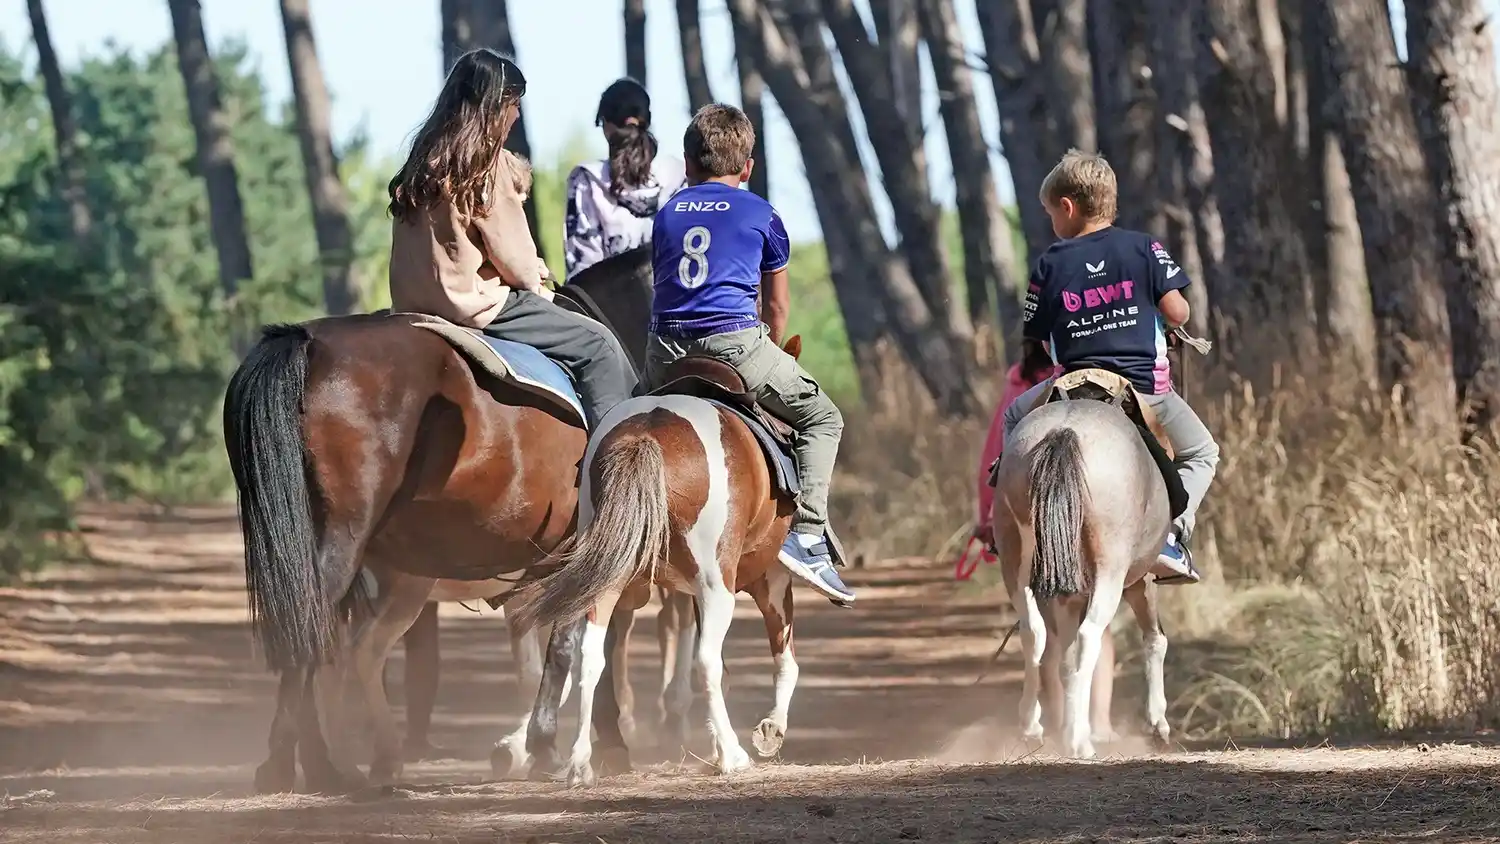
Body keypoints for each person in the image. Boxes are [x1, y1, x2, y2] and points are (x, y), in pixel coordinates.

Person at [645, 103, 854, 606]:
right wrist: (774, 349)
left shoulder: (667, 213)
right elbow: (776, 304)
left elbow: (663, 287)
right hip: (735, 345)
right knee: (824, 417)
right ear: (747, 167)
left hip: (665, 350)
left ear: (688, 164)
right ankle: (807, 534)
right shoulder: (762, 213)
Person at [386, 49, 635, 431]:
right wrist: (538, 280)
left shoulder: (423, 160)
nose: (516, 115)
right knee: (599, 346)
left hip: (412, 305)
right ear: (494, 105)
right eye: (513, 103)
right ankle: (614, 468)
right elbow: (517, 265)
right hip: (476, 306)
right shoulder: (487, 164)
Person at [1002, 149, 1220, 584]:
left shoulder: (1049, 264)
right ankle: (1173, 535)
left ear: (1066, 207)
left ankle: (1013, 520)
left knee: (1014, 417)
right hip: (1144, 389)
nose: (1052, 223)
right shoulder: (1144, 248)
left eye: (1050, 214)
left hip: (1071, 386)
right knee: (1201, 452)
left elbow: (1042, 339)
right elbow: (1178, 313)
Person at [563, 78, 686, 282]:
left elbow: (582, 269)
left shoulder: (586, 180)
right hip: (674, 303)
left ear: (607, 127)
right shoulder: (680, 175)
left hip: (608, 309)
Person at [969, 339, 1060, 565]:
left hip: (1024, 490)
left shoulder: (1019, 383)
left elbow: (994, 451)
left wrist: (988, 516)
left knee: (1010, 423)